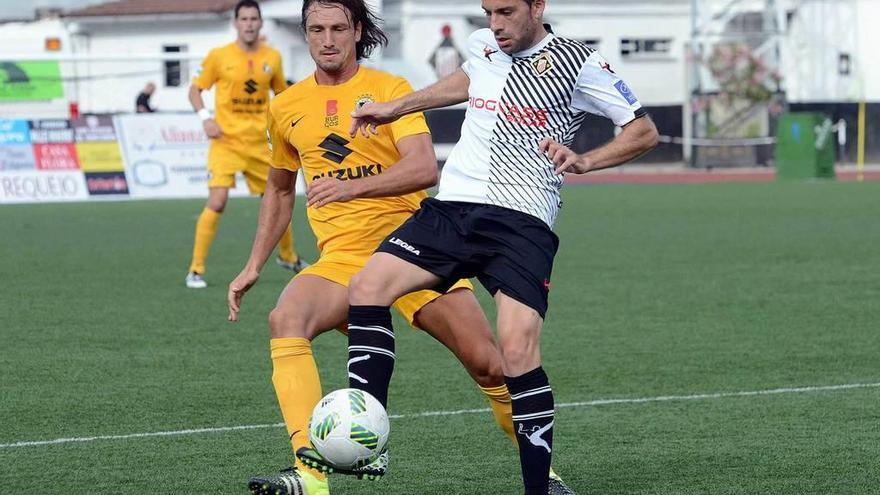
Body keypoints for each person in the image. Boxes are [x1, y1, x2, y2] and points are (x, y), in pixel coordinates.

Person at [226, 0, 575, 494]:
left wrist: (350, 188)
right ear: (304, 34)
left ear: (357, 30)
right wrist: (253, 265)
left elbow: (423, 170)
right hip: (342, 259)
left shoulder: (390, 90)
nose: (327, 40)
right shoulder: (285, 107)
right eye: (316, 29)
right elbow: (280, 190)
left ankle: (545, 473)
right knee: (286, 319)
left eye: (338, 28)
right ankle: (310, 476)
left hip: (413, 252)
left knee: (490, 363)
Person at [342, 0, 660, 493]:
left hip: (522, 221)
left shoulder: (581, 62)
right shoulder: (484, 45)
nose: (495, 24)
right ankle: (367, 438)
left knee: (516, 350)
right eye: (489, 11)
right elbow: (467, 80)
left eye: (507, 11)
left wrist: (585, 160)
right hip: (455, 208)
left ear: (538, 6)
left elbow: (642, 131)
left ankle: (538, 488)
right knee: (367, 286)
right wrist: (395, 107)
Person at [185, 0, 305, 289]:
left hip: (260, 145)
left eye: (254, 19)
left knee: (278, 199)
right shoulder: (219, 56)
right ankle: (196, 269)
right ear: (236, 23)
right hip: (226, 142)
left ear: (261, 23)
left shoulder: (272, 57)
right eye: (244, 19)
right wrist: (205, 118)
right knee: (217, 201)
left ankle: (288, 257)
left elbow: (282, 94)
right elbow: (195, 89)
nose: (249, 24)